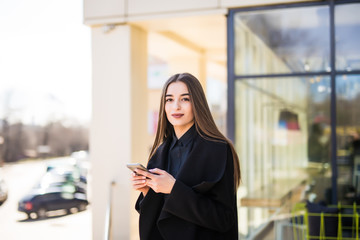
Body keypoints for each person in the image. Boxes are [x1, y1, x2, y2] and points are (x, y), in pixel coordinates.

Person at [131, 73, 241, 240]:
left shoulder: (218, 150)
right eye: (169, 99)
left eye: (185, 99)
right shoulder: (159, 153)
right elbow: (159, 218)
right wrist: (148, 192)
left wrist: (174, 189)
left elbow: (224, 219)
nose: (176, 106)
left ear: (197, 103)